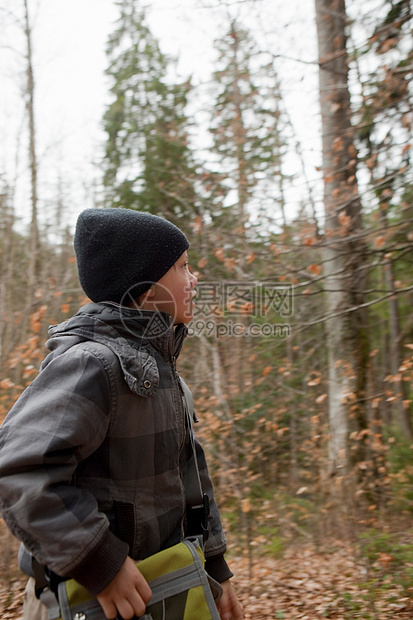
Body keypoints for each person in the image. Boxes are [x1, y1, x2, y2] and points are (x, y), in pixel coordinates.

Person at [0, 208, 243, 620]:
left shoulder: (163, 375)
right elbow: (18, 469)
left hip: (165, 591)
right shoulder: (94, 364)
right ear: (147, 288)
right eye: (183, 267)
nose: (195, 278)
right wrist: (99, 561)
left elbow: (193, 482)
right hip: (84, 601)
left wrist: (215, 567)